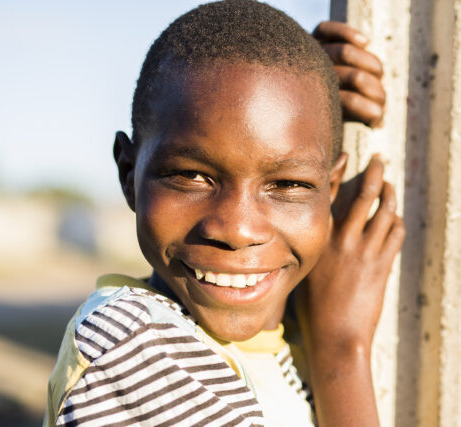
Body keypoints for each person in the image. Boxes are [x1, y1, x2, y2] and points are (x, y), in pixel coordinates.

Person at [43, 1, 399, 425]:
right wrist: (342, 350)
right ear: (128, 174)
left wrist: (306, 88)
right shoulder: (134, 344)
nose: (237, 230)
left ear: (331, 189)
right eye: (191, 175)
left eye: (289, 184)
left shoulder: (284, 335)